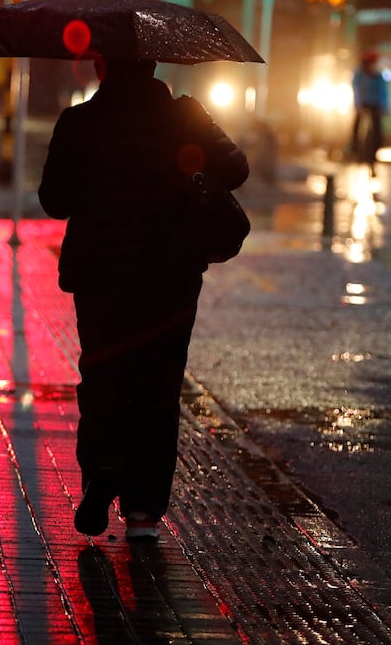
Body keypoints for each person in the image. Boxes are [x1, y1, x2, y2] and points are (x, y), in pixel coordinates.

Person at [38, 58, 249, 541]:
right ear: (154, 64)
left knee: (103, 376)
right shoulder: (182, 117)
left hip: (101, 276)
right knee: (158, 386)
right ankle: (143, 512)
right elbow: (236, 169)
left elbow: (55, 200)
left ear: (100, 66)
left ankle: (102, 470)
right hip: (169, 278)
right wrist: (195, 132)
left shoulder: (80, 121)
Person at [350, 51, 389, 165]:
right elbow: (356, 90)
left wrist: (383, 107)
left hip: (375, 104)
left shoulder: (378, 76)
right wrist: (358, 105)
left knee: (377, 126)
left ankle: (377, 146)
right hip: (363, 103)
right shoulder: (358, 75)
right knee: (357, 122)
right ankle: (355, 146)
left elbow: (383, 93)